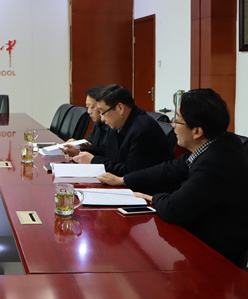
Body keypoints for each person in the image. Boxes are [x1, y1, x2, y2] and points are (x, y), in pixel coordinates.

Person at [98, 88, 248, 267]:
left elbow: (172, 209)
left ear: (197, 131)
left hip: (216, 258)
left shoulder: (215, 163)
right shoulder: (220, 143)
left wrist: (153, 197)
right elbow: (169, 169)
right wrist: (124, 180)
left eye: (177, 119)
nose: (173, 125)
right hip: (197, 241)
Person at [67, 84, 172, 175]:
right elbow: (109, 153)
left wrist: (94, 160)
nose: (102, 119)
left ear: (120, 108)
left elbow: (129, 171)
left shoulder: (142, 130)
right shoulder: (119, 123)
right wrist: (80, 153)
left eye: (103, 112)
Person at [63, 86, 111, 157]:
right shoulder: (98, 122)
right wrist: (81, 144)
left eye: (92, 107)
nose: (89, 111)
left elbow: (105, 152)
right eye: (87, 107)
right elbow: (92, 140)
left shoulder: (112, 125)